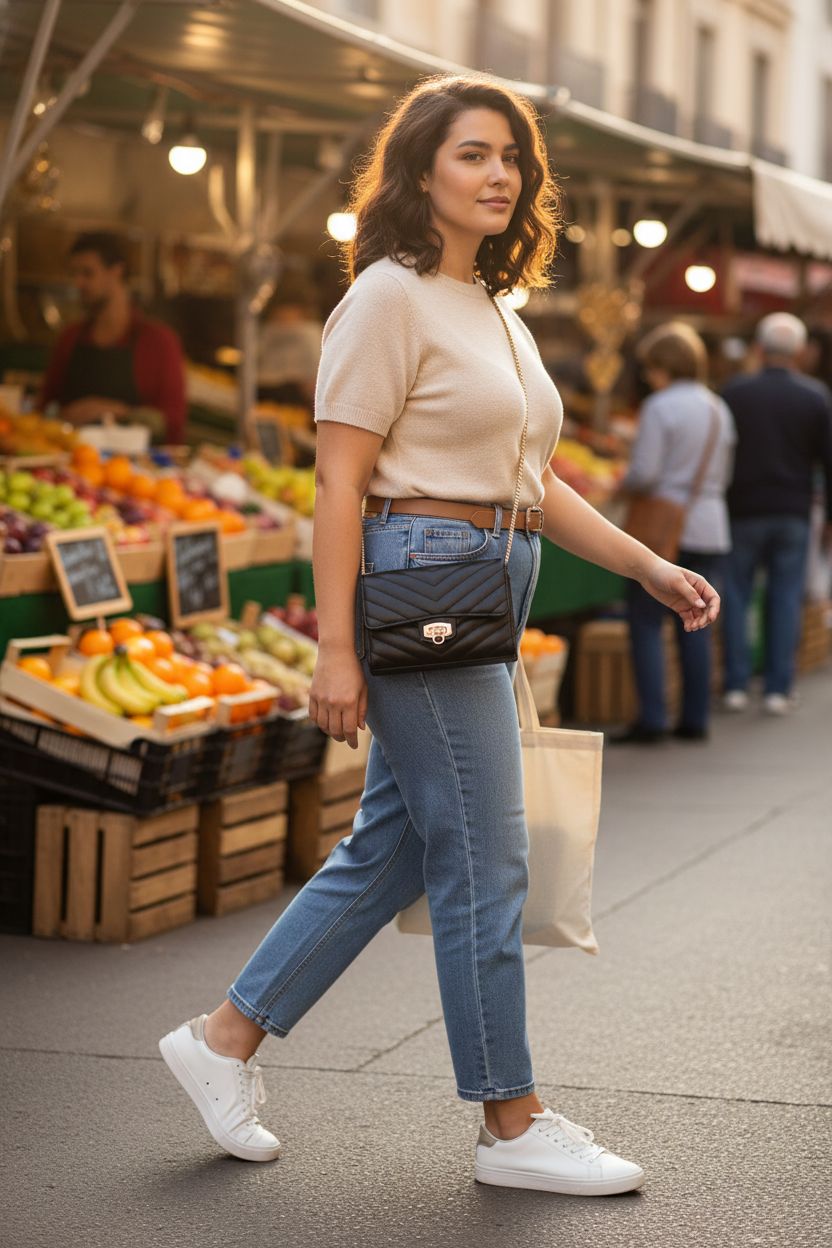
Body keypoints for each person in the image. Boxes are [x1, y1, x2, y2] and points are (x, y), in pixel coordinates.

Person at [158, 75, 719, 1196]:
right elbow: (337, 486)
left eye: (511, 156)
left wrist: (647, 564)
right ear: (420, 174)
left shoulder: (494, 311)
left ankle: (223, 1040)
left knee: (401, 844)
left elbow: (533, 483)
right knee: (485, 856)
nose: (499, 173)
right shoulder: (386, 297)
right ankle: (510, 1120)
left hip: (486, 578)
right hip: (423, 580)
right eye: (472, 154)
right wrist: (332, 649)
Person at [615, 323, 735, 744]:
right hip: (710, 523)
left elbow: (645, 474)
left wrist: (622, 484)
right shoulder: (719, 408)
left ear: (664, 366)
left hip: (662, 525)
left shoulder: (660, 407)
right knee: (698, 618)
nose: (648, 377)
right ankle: (695, 717)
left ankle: (652, 718)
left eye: (651, 368)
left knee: (646, 622)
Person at [721, 312, 832, 715]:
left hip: (742, 509)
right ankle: (777, 688)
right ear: (800, 351)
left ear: (759, 348)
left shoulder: (735, 393)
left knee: (735, 594)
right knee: (785, 597)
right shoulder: (815, 396)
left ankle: (735, 685)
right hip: (793, 511)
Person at [39, 232, 187, 444]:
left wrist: (114, 411)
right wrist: (60, 415)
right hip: (71, 461)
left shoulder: (159, 342)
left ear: (116, 271)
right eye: (74, 274)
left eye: (87, 274)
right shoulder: (70, 338)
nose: (78, 283)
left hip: (135, 469)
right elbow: (44, 408)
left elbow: (173, 423)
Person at [257, 292, 323, 408]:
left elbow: (315, 380)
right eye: (279, 317)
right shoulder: (268, 333)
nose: (285, 319)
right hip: (263, 398)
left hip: (297, 403)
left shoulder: (309, 334)